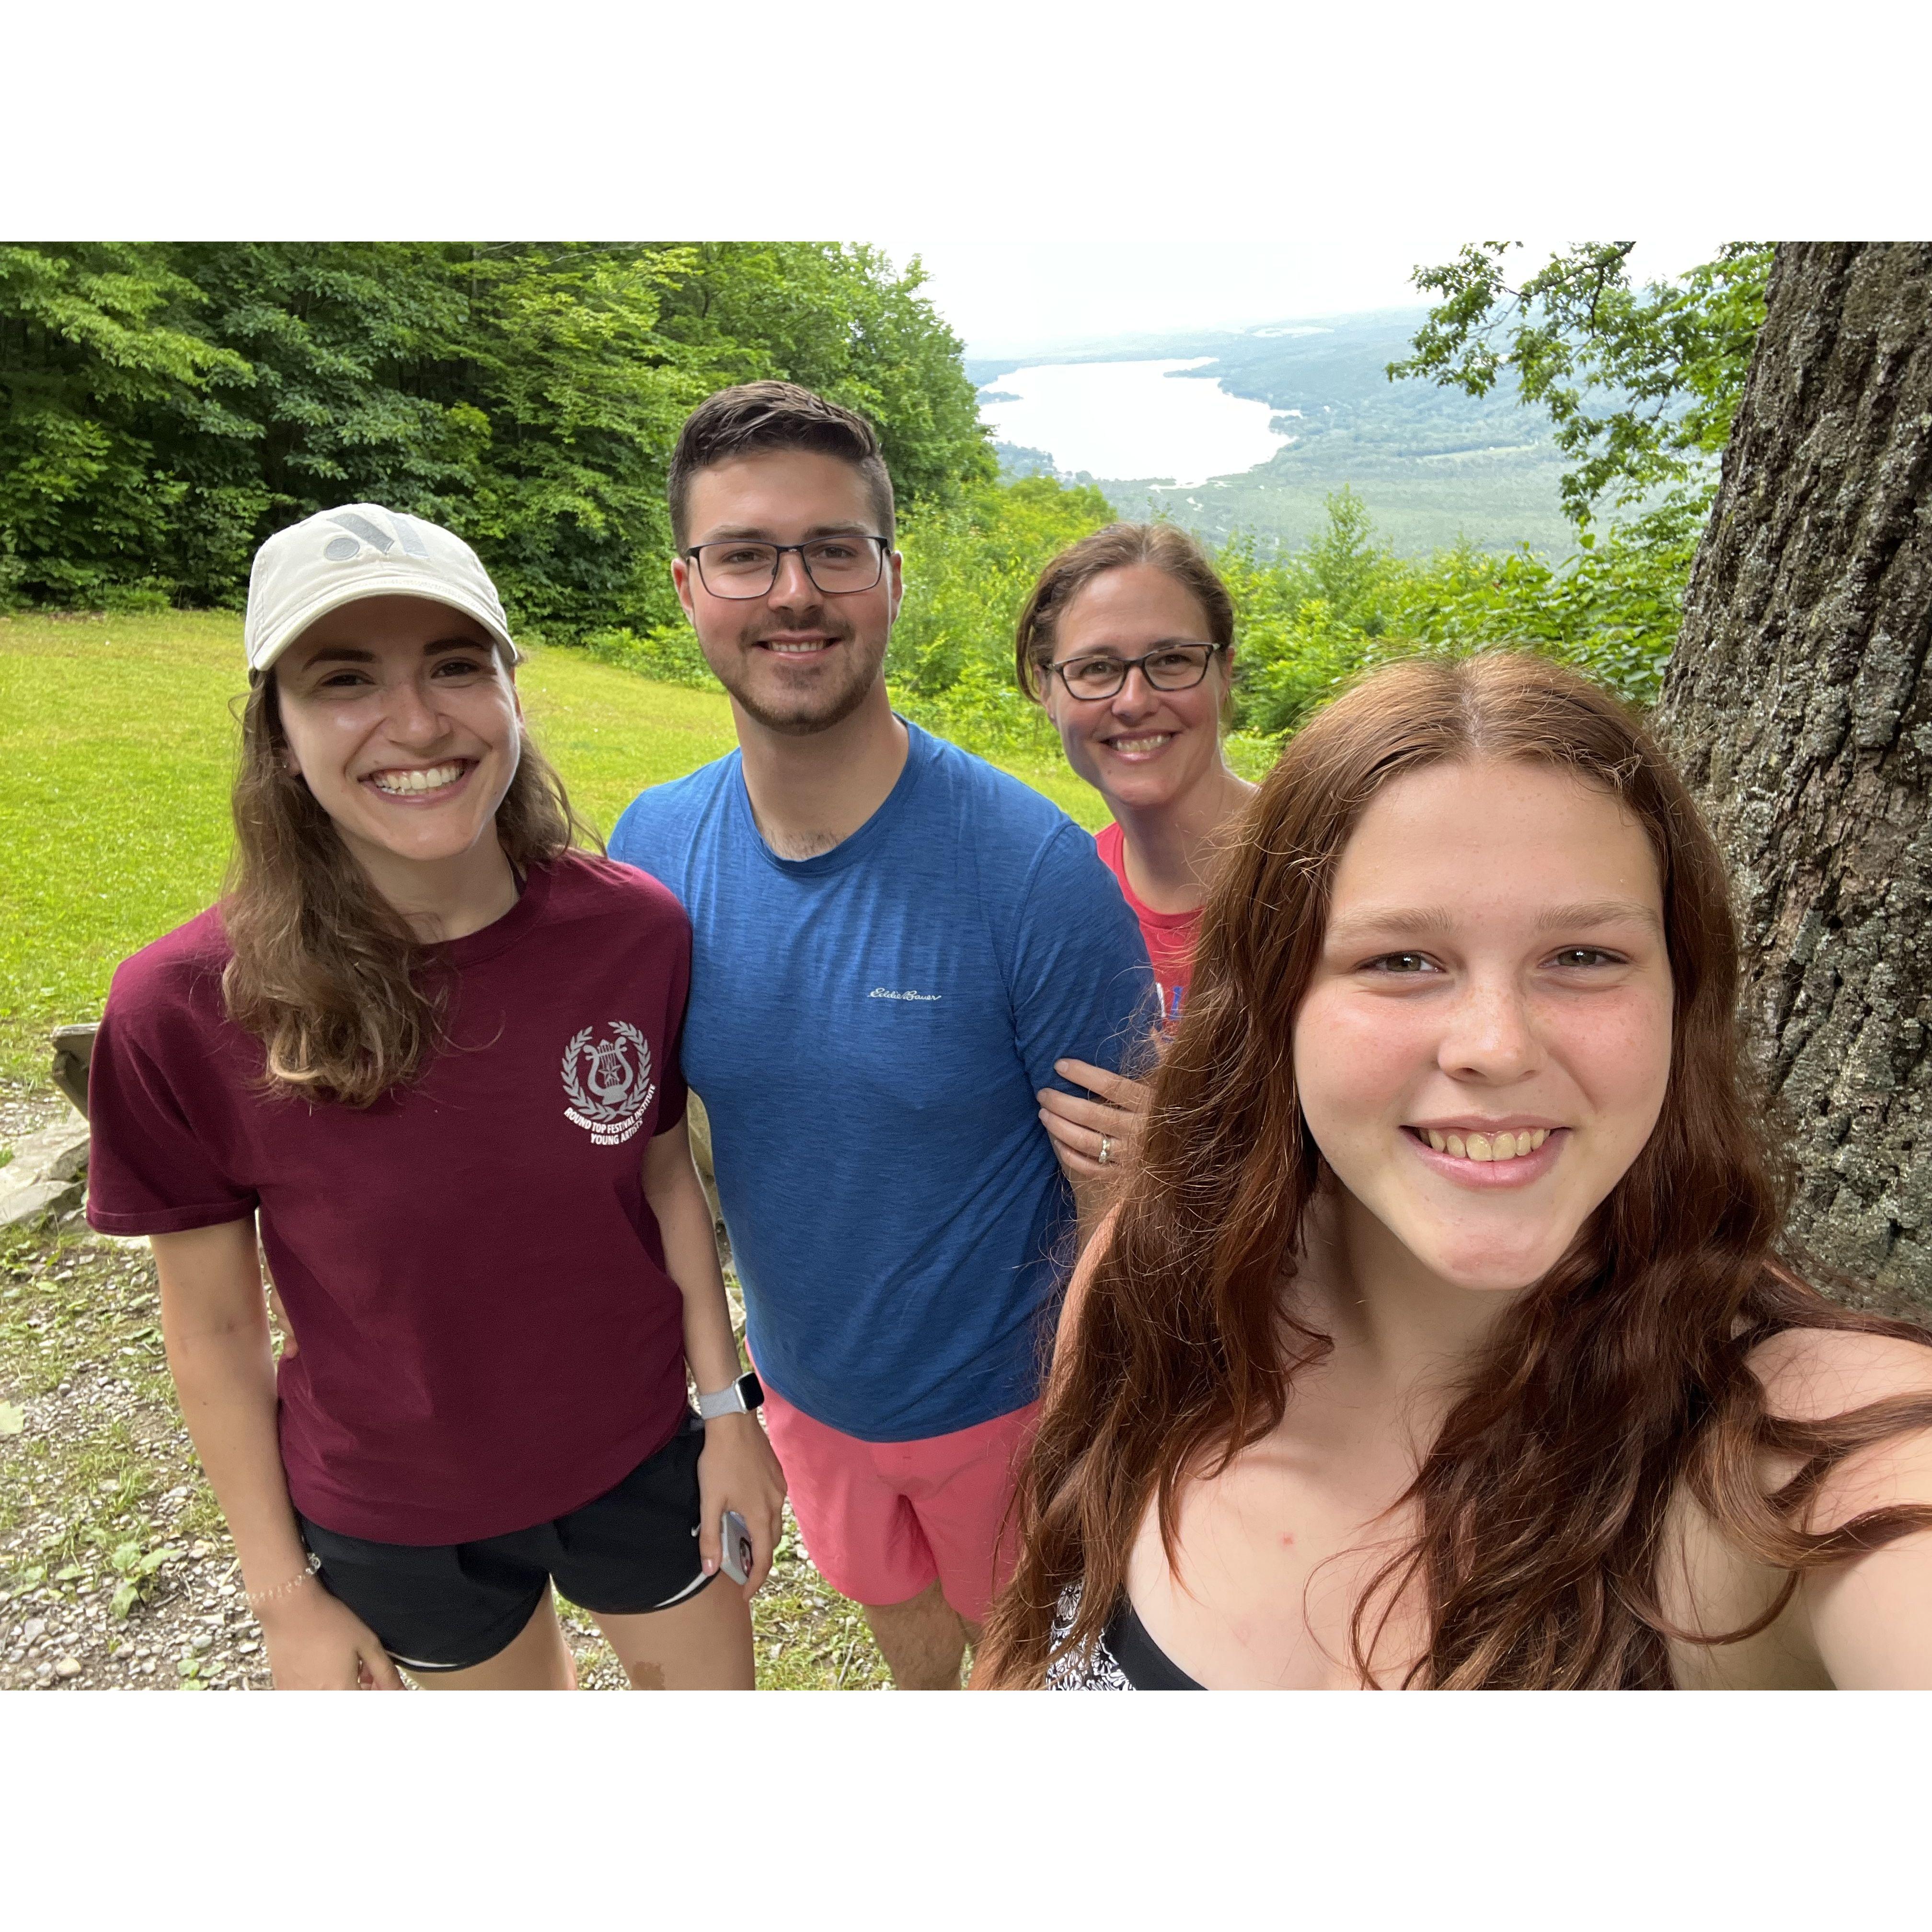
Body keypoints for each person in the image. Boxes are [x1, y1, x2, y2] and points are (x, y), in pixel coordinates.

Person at [977, 651, 1932, 1690]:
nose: (1495, 1045)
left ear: (1681, 996)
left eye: (1583, 956)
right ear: (1273, 1003)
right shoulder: (1153, 1287)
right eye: (1401, 960)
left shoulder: (1814, 1465)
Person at [84, 503, 784, 1690]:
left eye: (454, 666)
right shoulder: (180, 1009)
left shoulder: (632, 932)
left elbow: (663, 1170)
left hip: (640, 1454)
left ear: (512, 688)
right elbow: (210, 1327)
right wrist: (282, 1594)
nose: (415, 722)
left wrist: (725, 1410)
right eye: (345, 679)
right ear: (279, 733)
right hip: (400, 1512)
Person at [608, 383, 1152, 1688]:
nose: (793, 590)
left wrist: (1101, 1437)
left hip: (1017, 1421)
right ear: (689, 589)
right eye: (745, 554)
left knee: (1034, 1684)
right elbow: (652, 1153)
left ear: (891, 578)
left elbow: (1128, 1194)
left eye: (834, 551)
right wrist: (726, 1397)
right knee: (907, 1649)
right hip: (805, 1398)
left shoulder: (1030, 873)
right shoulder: (654, 849)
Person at [1013, 524, 1255, 1187]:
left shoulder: (1322, 869)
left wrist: (1189, 1154)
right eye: (1096, 669)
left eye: (1172, 660)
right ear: (1045, 687)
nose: (1134, 701)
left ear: (1224, 671)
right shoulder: (1064, 901)